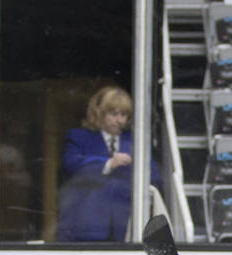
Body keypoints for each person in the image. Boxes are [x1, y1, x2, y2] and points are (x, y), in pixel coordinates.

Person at [57, 86, 163, 242]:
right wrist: (108, 164)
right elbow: (71, 164)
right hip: (87, 225)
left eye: (124, 115)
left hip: (127, 226)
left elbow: (154, 177)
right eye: (113, 114)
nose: (119, 120)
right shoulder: (79, 137)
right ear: (99, 113)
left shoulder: (136, 141)